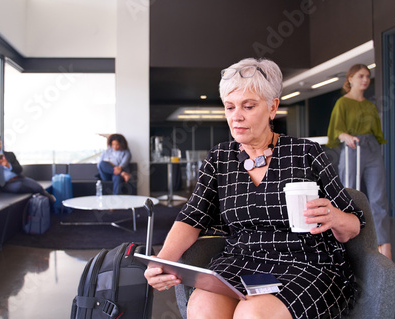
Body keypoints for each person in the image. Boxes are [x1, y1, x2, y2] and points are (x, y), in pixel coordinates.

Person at [144, 58, 365, 319]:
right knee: (202, 307)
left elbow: (353, 225)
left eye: (248, 106)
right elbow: (192, 216)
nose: (236, 116)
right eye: (229, 107)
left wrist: (333, 217)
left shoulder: (306, 153)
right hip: (241, 260)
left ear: (272, 107)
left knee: (253, 314)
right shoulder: (220, 159)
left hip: (305, 263)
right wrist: (163, 262)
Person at [327, 64, 391, 259]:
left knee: (378, 198)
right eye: (361, 76)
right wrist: (344, 135)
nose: (365, 80)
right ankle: (349, 246)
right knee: (349, 194)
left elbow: (377, 133)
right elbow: (336, 130)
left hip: (371, 149)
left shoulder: (370, 105)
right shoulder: (342, 103)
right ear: (350, 79)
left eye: (368, 76)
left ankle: (385, 247)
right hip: (352, 149)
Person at [0, 134, 55, 203]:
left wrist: (8, 165)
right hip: (4, 185)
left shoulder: (9, 155)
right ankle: (38, 195)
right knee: (19, 187)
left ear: (1, 143)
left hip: (19, 178)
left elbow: (19, 169)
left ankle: (52, 203)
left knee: (38, 187)